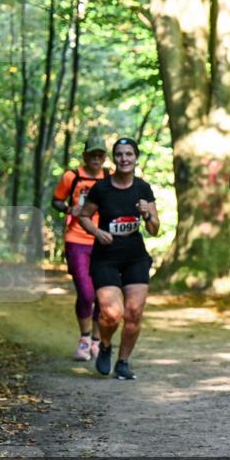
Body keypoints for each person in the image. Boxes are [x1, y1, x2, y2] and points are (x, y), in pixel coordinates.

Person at [77, 137, 159, 381]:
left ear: (135, 158)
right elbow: (84, 216)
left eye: (129, 154)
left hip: (135, 256)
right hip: (106, 258)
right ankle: (104, 345)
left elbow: (155, 229)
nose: (124, 159)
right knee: (112, 313)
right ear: (114, 158)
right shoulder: (102, 188)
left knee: (133, 313)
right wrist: (97, 232)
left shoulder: (143, 188)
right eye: (120, 154)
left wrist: (147, 215)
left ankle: (123, 362)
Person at [51, 137, 110, 361]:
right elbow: (55, 200)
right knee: (86, 292)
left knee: (100, 293)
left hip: (102, 239)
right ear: (85, 156)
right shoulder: (72, 176)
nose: (96, 159)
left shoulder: (109, 178)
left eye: (100, 155)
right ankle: (84, 338)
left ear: (105, 157)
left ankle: (95, 341)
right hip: (77, 239)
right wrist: (68, 209)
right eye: (92, 155)